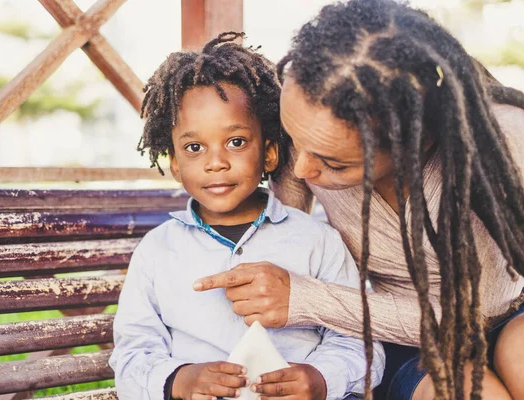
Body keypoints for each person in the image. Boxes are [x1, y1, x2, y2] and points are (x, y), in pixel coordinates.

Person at [192, 2, 524, 400]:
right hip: (399, 340)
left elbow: (478, 312)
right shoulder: (305, 129)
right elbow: (285, 242)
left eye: (334, 163)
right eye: (293, 140)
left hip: (506, 309)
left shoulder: (498, 138)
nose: (301, 169)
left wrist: (308, 299)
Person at [109, 32, 385, 400]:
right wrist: (179, 379)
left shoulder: (316, 241)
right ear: (175, 165)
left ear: (269, 154)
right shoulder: (158, 250)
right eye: (194, 148)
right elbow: (131, 353)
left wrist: (319, 378)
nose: (216, 162)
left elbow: (359, 340)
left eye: (236, 142)